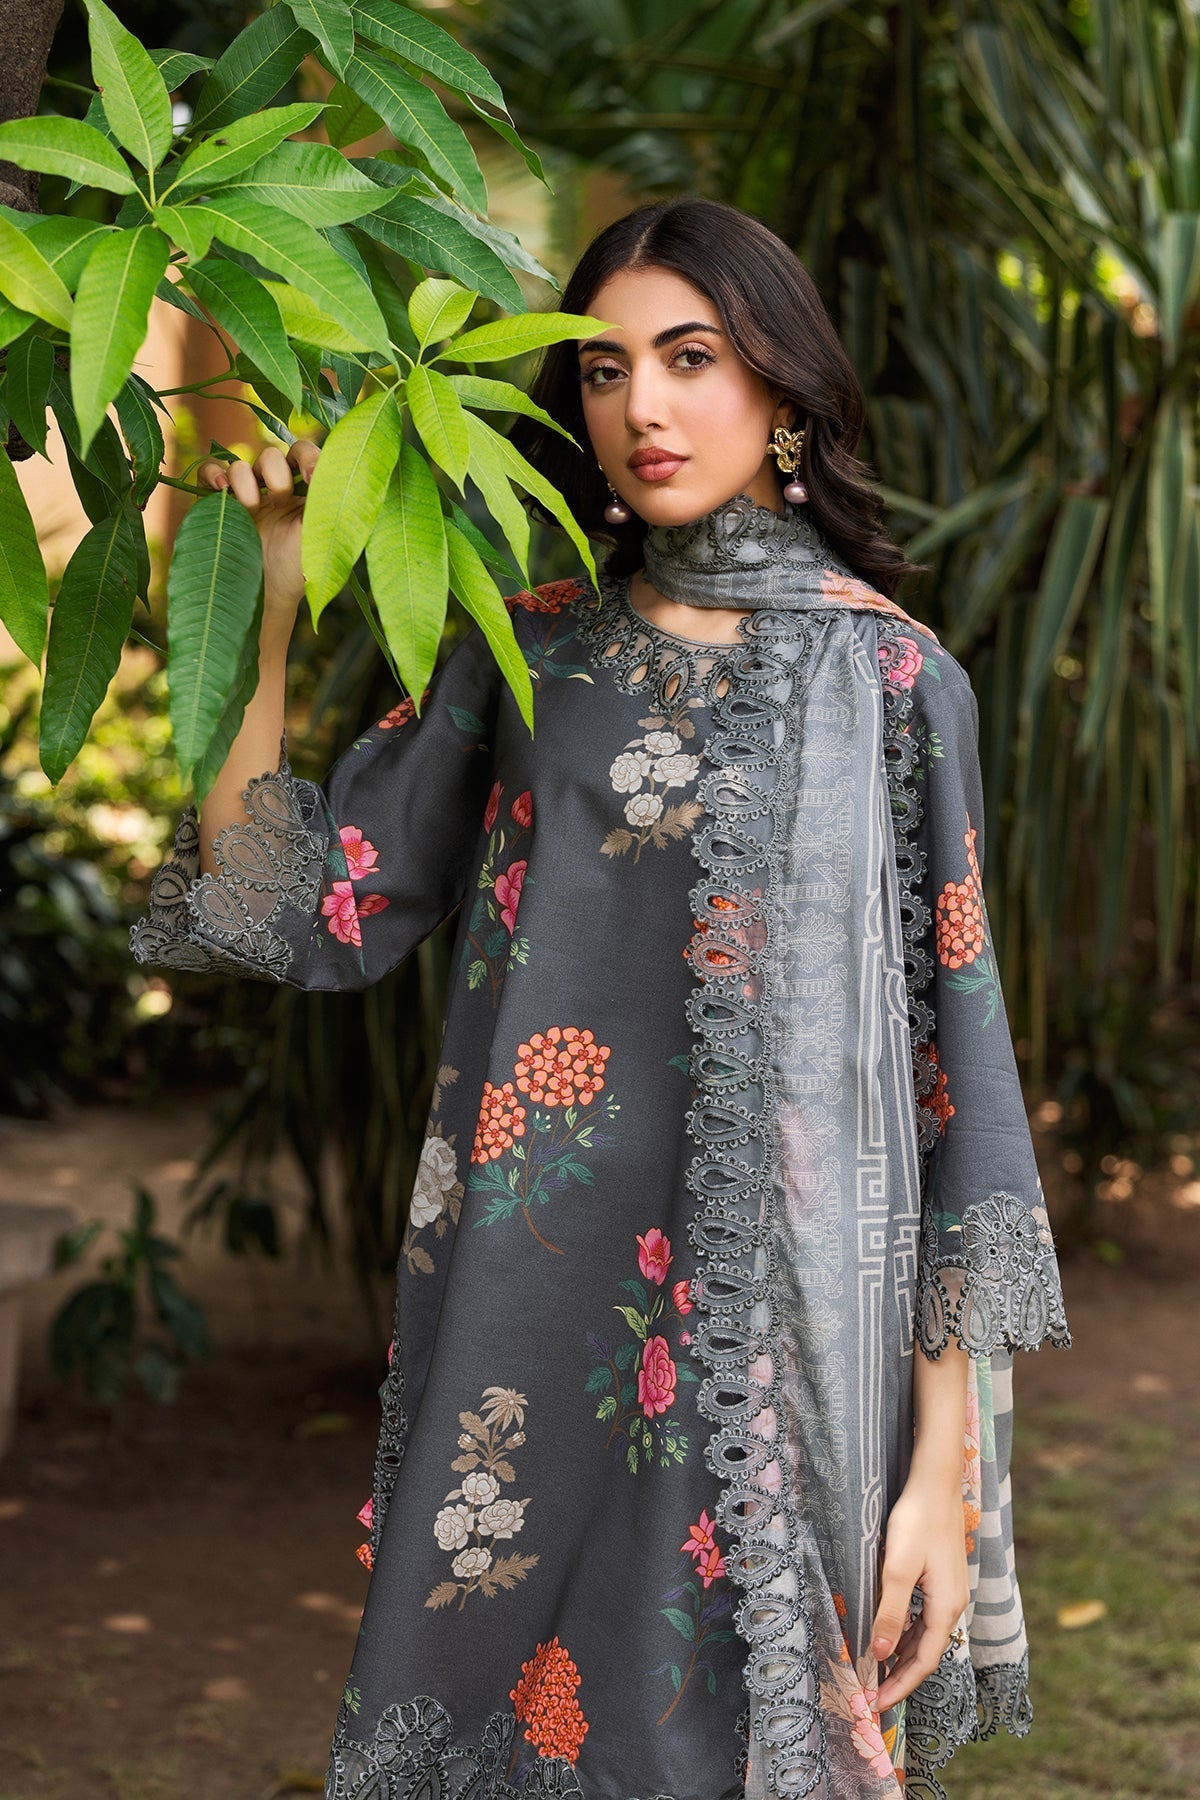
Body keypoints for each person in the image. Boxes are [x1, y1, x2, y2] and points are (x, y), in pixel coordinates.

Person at [131, 196, 1072, 1800]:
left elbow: (952, 1095)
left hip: (798, 1377)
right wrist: (268, 607)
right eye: (606, 369)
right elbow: (288, 912)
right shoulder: (529, 650)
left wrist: (944, 1475)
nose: (644, 406)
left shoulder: (898, 684)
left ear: (783, 390)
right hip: (529, 1338)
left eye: (691, 358)